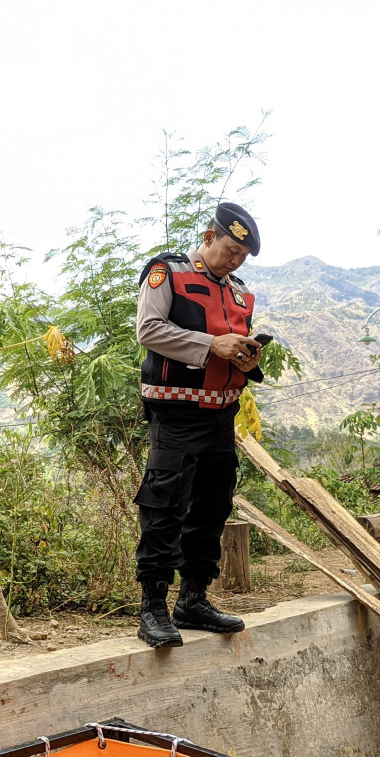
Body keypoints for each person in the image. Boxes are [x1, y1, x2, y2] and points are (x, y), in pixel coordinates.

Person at [133, 202, 264, 649]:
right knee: (165, 506)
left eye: (242, 257)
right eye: (231, 251)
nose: (235, 261)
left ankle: (193, 600)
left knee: (212, 507)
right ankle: (153, 608)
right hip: (176, 414)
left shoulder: (240, 293)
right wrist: (212, 344)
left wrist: (246, 358)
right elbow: (149, 330)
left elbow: (232, 348)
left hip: (221, 415)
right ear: (209, 238)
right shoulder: (167, 273)